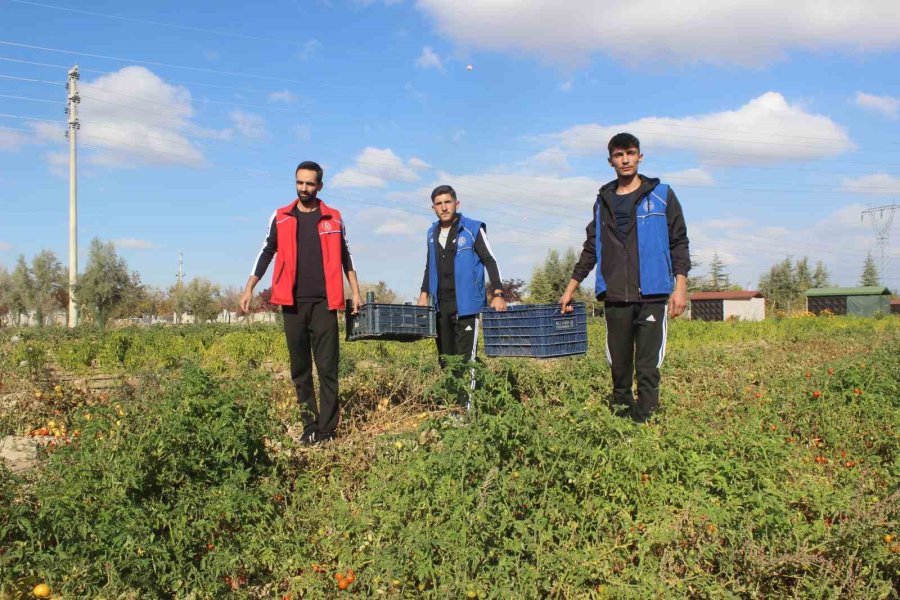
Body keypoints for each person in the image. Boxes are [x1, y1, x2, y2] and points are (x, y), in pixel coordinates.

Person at [559, 133, 690, 423]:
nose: (625, 159)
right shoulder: (602, 202)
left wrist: (680, 286)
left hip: (652, 294)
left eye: (630, 153)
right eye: (619, 155)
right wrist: (571, 287)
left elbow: (679, 241)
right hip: (616, 295)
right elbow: (592, 247)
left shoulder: (662, 195)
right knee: (619, 365)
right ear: (610, 161)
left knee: (647, 365)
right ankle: (621, 422)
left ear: (640, 156)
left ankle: (646, 422)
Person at [240, 161, 362, 444]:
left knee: (328, 369)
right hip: (292, 304)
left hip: (325, 303)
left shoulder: (333, 217)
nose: (304, 188)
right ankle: (309, 428)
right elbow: (266, 251)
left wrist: (355, 291)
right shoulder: (281, 216)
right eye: (300, 183)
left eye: (309, 183)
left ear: (320, 186)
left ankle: (327, 431)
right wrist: (249, 288)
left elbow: (347, 256)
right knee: (301, 370)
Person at [417, 185, 506, 409]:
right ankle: (453, 407)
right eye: (439, 203)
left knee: (467, 360)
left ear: (457, 204)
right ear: (433, 208)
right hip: (441, 306)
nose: (444, 207)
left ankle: (467, 411)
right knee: (447, 360)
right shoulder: (431, 233)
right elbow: (430, 266)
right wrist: (424, 294)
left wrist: (497, 293)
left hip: (467, 306)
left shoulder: (473, 229)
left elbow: (490, 260)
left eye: (448, 202)